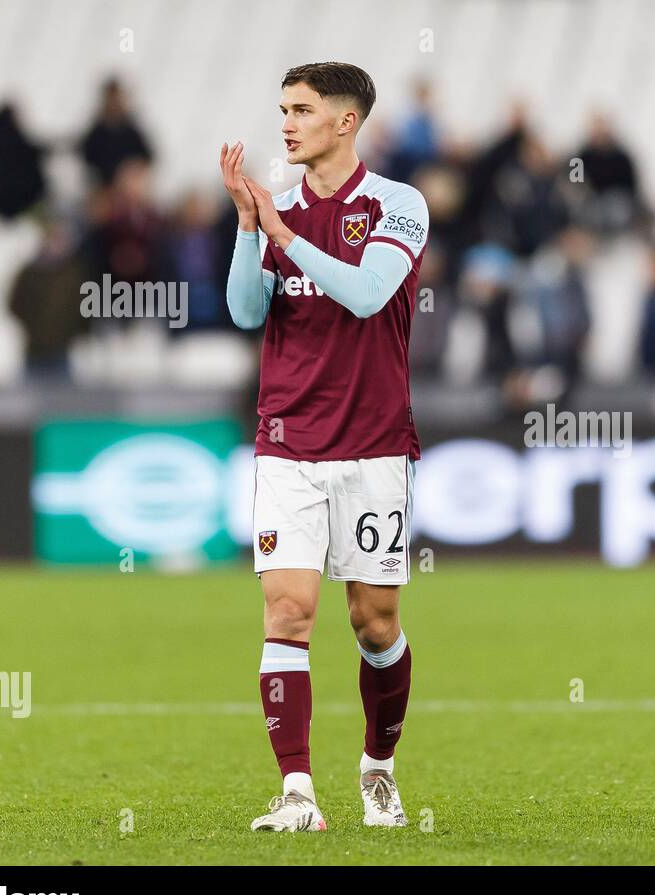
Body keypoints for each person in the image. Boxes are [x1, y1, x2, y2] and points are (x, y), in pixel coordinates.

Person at [222, 61, 429, 832]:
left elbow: (369, 294)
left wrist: (283, 234)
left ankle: (378, 765)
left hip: (374, 445)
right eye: (282, 109)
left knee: (373, 622)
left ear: (345, 121)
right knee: (288, 611)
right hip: (286, 442)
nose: (287, 123)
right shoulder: (276, 211)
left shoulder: (396, 205)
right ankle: (298, 792)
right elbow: (247, 314)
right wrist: (251, 230)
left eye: (302, 109)